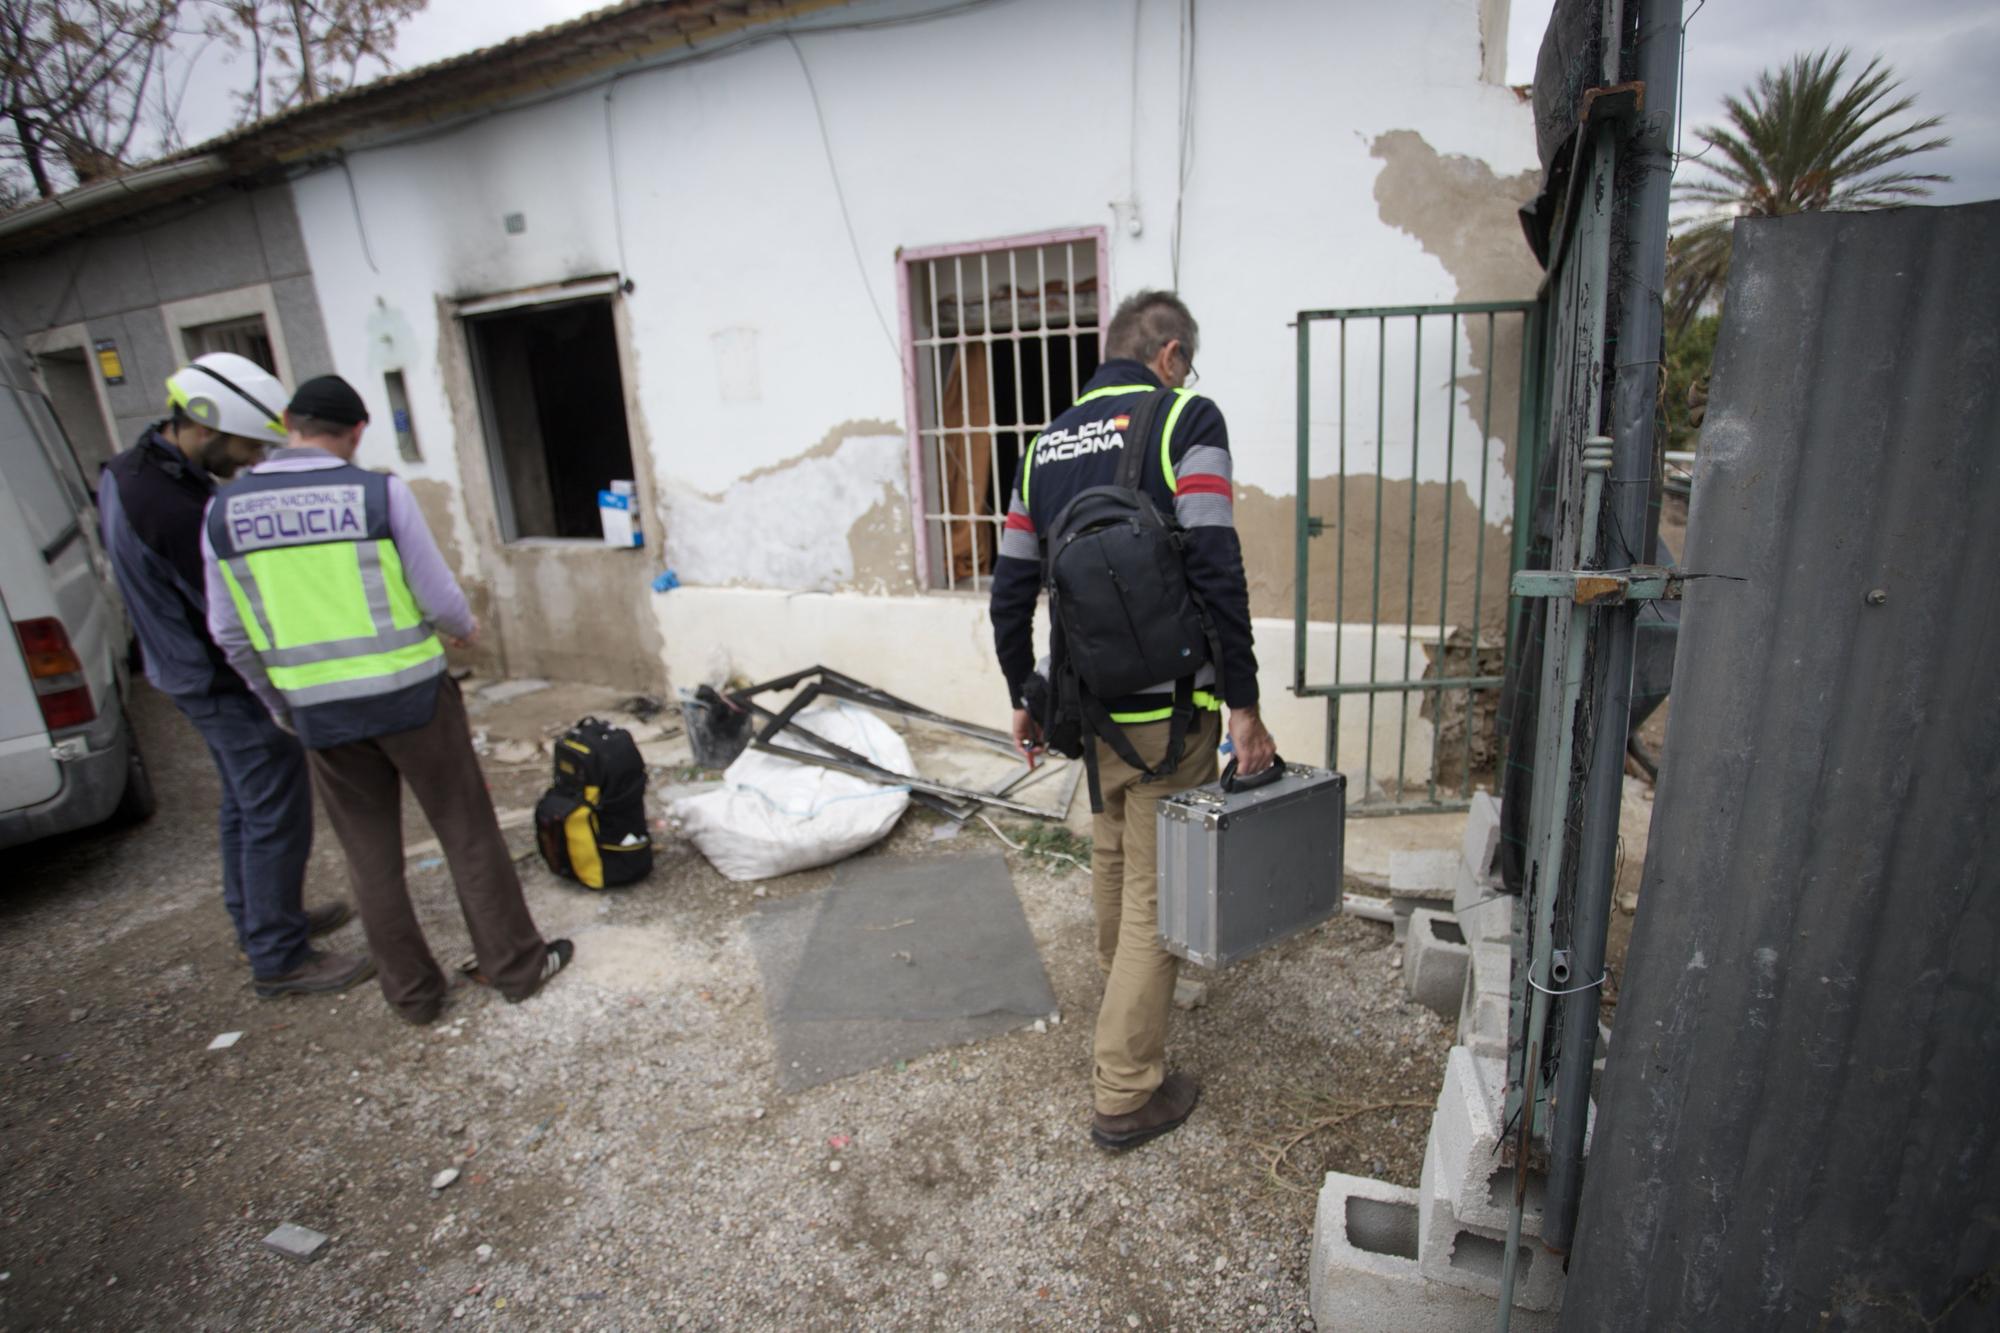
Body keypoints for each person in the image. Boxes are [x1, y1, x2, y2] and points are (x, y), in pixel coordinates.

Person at [990, 290, 1275, 1150]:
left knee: (1113, 842)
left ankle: (1125, 990)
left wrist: (1023, 694)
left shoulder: (1043, 447)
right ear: (1172, 355)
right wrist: (1244, 702)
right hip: (1170, 707)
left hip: (1087, 705)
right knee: (1158, 891)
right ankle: (1125, 1088)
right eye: (1188, 361)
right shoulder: (1188, 415)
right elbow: (1216, 562)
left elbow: (1010, 586)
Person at [201, 374, 571, 1025]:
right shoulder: (375, 492)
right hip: (412, 699)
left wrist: (280, 703)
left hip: (320, 712)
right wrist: (461, 627)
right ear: (358, 431)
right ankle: (515, 966)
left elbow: (229, 632)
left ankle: (414, 996)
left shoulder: (224, 513)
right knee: (466, 832)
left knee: (370, 856)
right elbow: (435, 592)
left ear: (287, 420)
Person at [98, 352, 370, 998]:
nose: (250, 461)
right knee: (276, 803)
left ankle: (259, 919)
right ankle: (280, 955)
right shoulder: (168, 503)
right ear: (206, 423)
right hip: (216, 679)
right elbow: (234, 612)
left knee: (243, 803)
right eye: (247, 446)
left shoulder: (133, 470)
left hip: (184, 671)